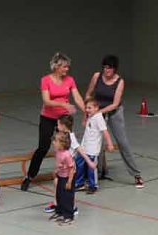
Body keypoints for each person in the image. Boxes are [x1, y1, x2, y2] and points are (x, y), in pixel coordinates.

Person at [22, 52, 85, 191]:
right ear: (57, 66)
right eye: (65, 67)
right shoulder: (45, 80)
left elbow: (77, 97)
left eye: (68, 67)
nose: (67, 69)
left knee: (68, 147)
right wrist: (63, 104)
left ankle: (69, 176)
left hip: (64, 118)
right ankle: (29, 176)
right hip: (48, 117)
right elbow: (46, 100)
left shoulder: (70, 80)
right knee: (43, 147)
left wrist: (86, 111)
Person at [84, 55, 145, 188]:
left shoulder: (120, 81)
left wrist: (98, 112)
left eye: (109, 68)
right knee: (96, 143)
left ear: (115, 69)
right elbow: (89, 94)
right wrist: (88, 111)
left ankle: (136, 175)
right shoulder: (96, 77)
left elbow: (115, 104)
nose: (106, 71)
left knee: (123, 142)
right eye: (105, 68)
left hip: (114, 112)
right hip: (97, 111)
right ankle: (98, 172)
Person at [43, 115, 95, 214]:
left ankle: (72, 206)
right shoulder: (61, 136)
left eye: (58, 124)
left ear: (63, 125)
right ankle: (57, 203)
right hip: (62, 166)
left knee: (68, 187)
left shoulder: (70, 137)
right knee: (57, 183)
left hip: (69, 166)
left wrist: (89, 161)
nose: (57, 126)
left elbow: (79, 149)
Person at [74, 98, 114, 194]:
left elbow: (105, 131)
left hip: (92, 148)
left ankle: (93, 185)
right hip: (84, 147)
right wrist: (86, 115)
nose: (87, 110)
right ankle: (79, 183)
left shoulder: (99, 118)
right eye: (86, 108)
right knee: (79, 163)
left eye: (89, 108)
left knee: (91, 167)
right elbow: (84, 124)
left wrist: (110, 144)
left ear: (96, 108)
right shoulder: (90, 116)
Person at [49, 131, 76, 225]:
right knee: (59, 194)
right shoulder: (58, 152)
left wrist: (69, 181)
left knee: (67, 197)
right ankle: (60, 212)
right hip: (61, 175)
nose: (53, 143)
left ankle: (69, 216)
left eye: (55, 141)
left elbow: (71, 168)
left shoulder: (67, 155)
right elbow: (59, 163)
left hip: (67, 177)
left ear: (62, 143)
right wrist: (56, 171)